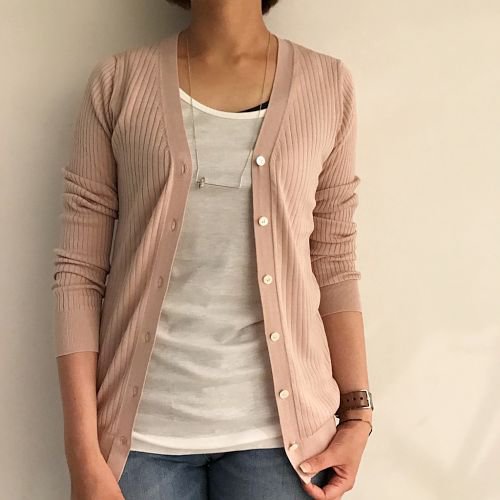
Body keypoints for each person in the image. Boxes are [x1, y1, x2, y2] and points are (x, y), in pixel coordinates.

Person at [51, 0, 374, 498]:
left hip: (285, 444)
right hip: (138, 443)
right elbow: (78, 271)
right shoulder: (118, 83)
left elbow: (333, 261)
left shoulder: (328, 85)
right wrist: (81, 455)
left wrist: (358, 416)